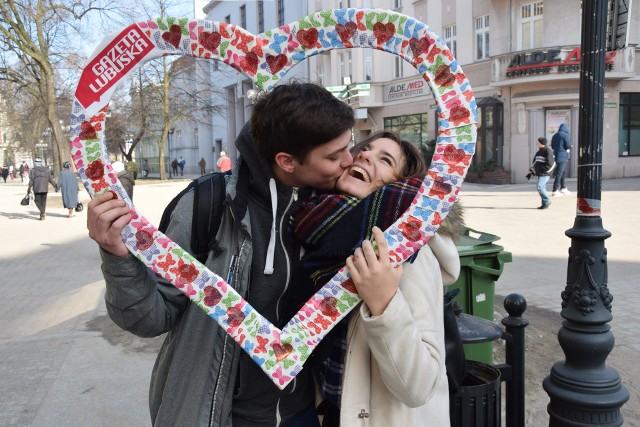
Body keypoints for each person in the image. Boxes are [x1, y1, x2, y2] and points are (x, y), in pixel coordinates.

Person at [86, 82, 355, 426]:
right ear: (286, 161)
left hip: (304, 414)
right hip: (218, 416)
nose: (349, 161)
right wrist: (117, 257)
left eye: (348, 146)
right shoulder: (207, 206)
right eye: (334, 156)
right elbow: (150, 317)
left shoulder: (341, 210)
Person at [288, 131, 462, 426]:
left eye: (385, 159)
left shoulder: (408, 253)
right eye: (365, 149)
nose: (365, 155)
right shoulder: (320, 229)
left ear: (399, 184)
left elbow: (420, 387)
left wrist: (384, 302)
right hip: (331, 412)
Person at [528, 137, 556, 209]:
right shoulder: (539, 152)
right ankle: (544, 204)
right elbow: (535, 162)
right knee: (542, 187)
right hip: (540, 173)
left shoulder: (548, 151)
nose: (536, 144)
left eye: (538, 142)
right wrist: (531, 170)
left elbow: (552, 164)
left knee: (539, 186)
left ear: (541, 143)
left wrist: (546, 171)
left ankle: (547, 201)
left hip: (545, 173)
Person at [551, 123, 572, 197]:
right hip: (563, 156)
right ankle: (555, 190)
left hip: (556, 155)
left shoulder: (554, 136)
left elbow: (553, 146)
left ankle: (563, 188)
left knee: (563, 172)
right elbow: (569, 145)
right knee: (559, 173)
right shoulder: (565, 135)